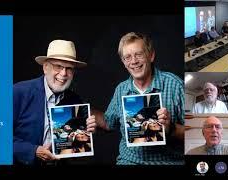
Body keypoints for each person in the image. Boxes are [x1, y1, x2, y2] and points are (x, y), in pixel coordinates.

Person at [95, 32, 185, 165]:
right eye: (128, 57)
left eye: (139, 54)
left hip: (167, 162)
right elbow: (109, 123)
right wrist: (87, 112)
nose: (134, 61)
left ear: (151, 55)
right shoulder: (121, 89)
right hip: (129, 162)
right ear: (124, 62)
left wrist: (171, 128)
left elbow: (195, 133)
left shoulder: (175, 85)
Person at [13, 39, 96, 165]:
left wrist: (88, 133)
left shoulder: (75, 101)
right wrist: (33, 151)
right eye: (58, 66)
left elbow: (75, 151)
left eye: (69, 68)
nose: (63, 73)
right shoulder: (18, 92)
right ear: (45, 67)